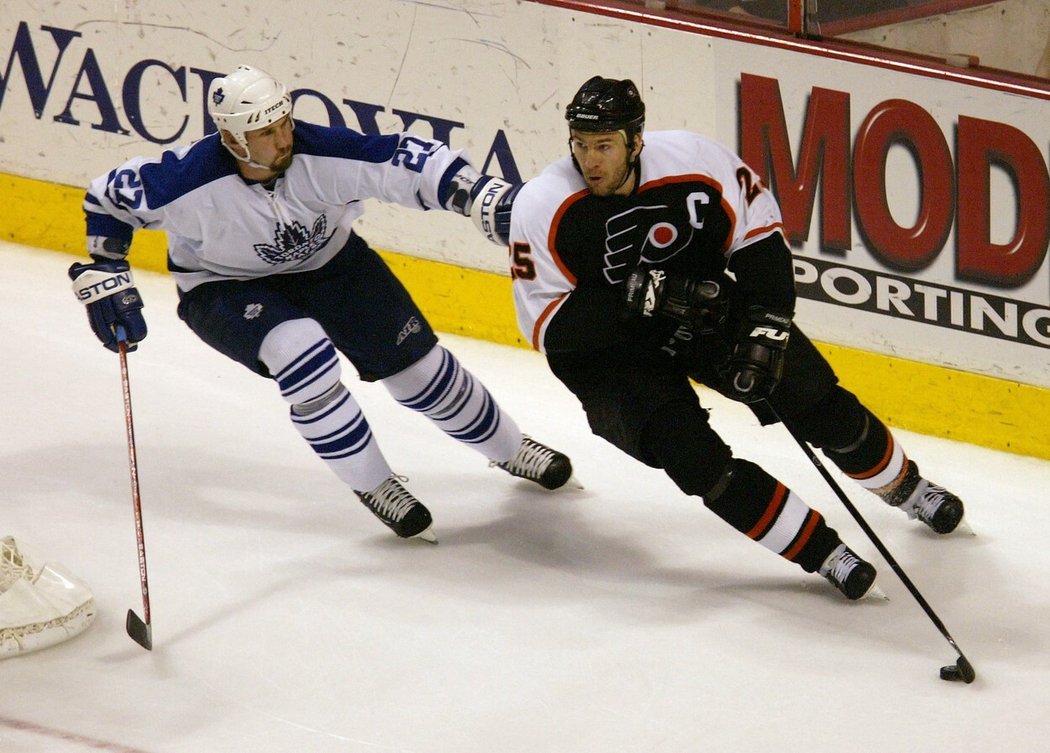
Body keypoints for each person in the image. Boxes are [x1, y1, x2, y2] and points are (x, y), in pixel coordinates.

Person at [503, 76, 966, 599]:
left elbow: (759, 238)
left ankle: (908, 489)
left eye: (605, 146)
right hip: (608, 359)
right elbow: (550, 329)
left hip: (700, 310)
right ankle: (825, 554)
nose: (591, 161)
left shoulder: (695, 160)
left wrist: (767, 329)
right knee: (696, 460)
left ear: (636, 141)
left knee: (814, 398)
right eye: (581, 145)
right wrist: (637, 297)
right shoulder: (542, 204)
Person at [68, 64, 571, 544]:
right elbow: (108, 199)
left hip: (334, 266)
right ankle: (375, 485)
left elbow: (404, 160)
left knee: (420, 371)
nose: (284, 138)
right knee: (302, 352)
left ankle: (508, 449)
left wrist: (477, 192)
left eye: (284, 122)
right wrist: (105, 267)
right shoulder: (185, 178)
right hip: (224, 286)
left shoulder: (319, 150)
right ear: (232, 139)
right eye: (266, 132)